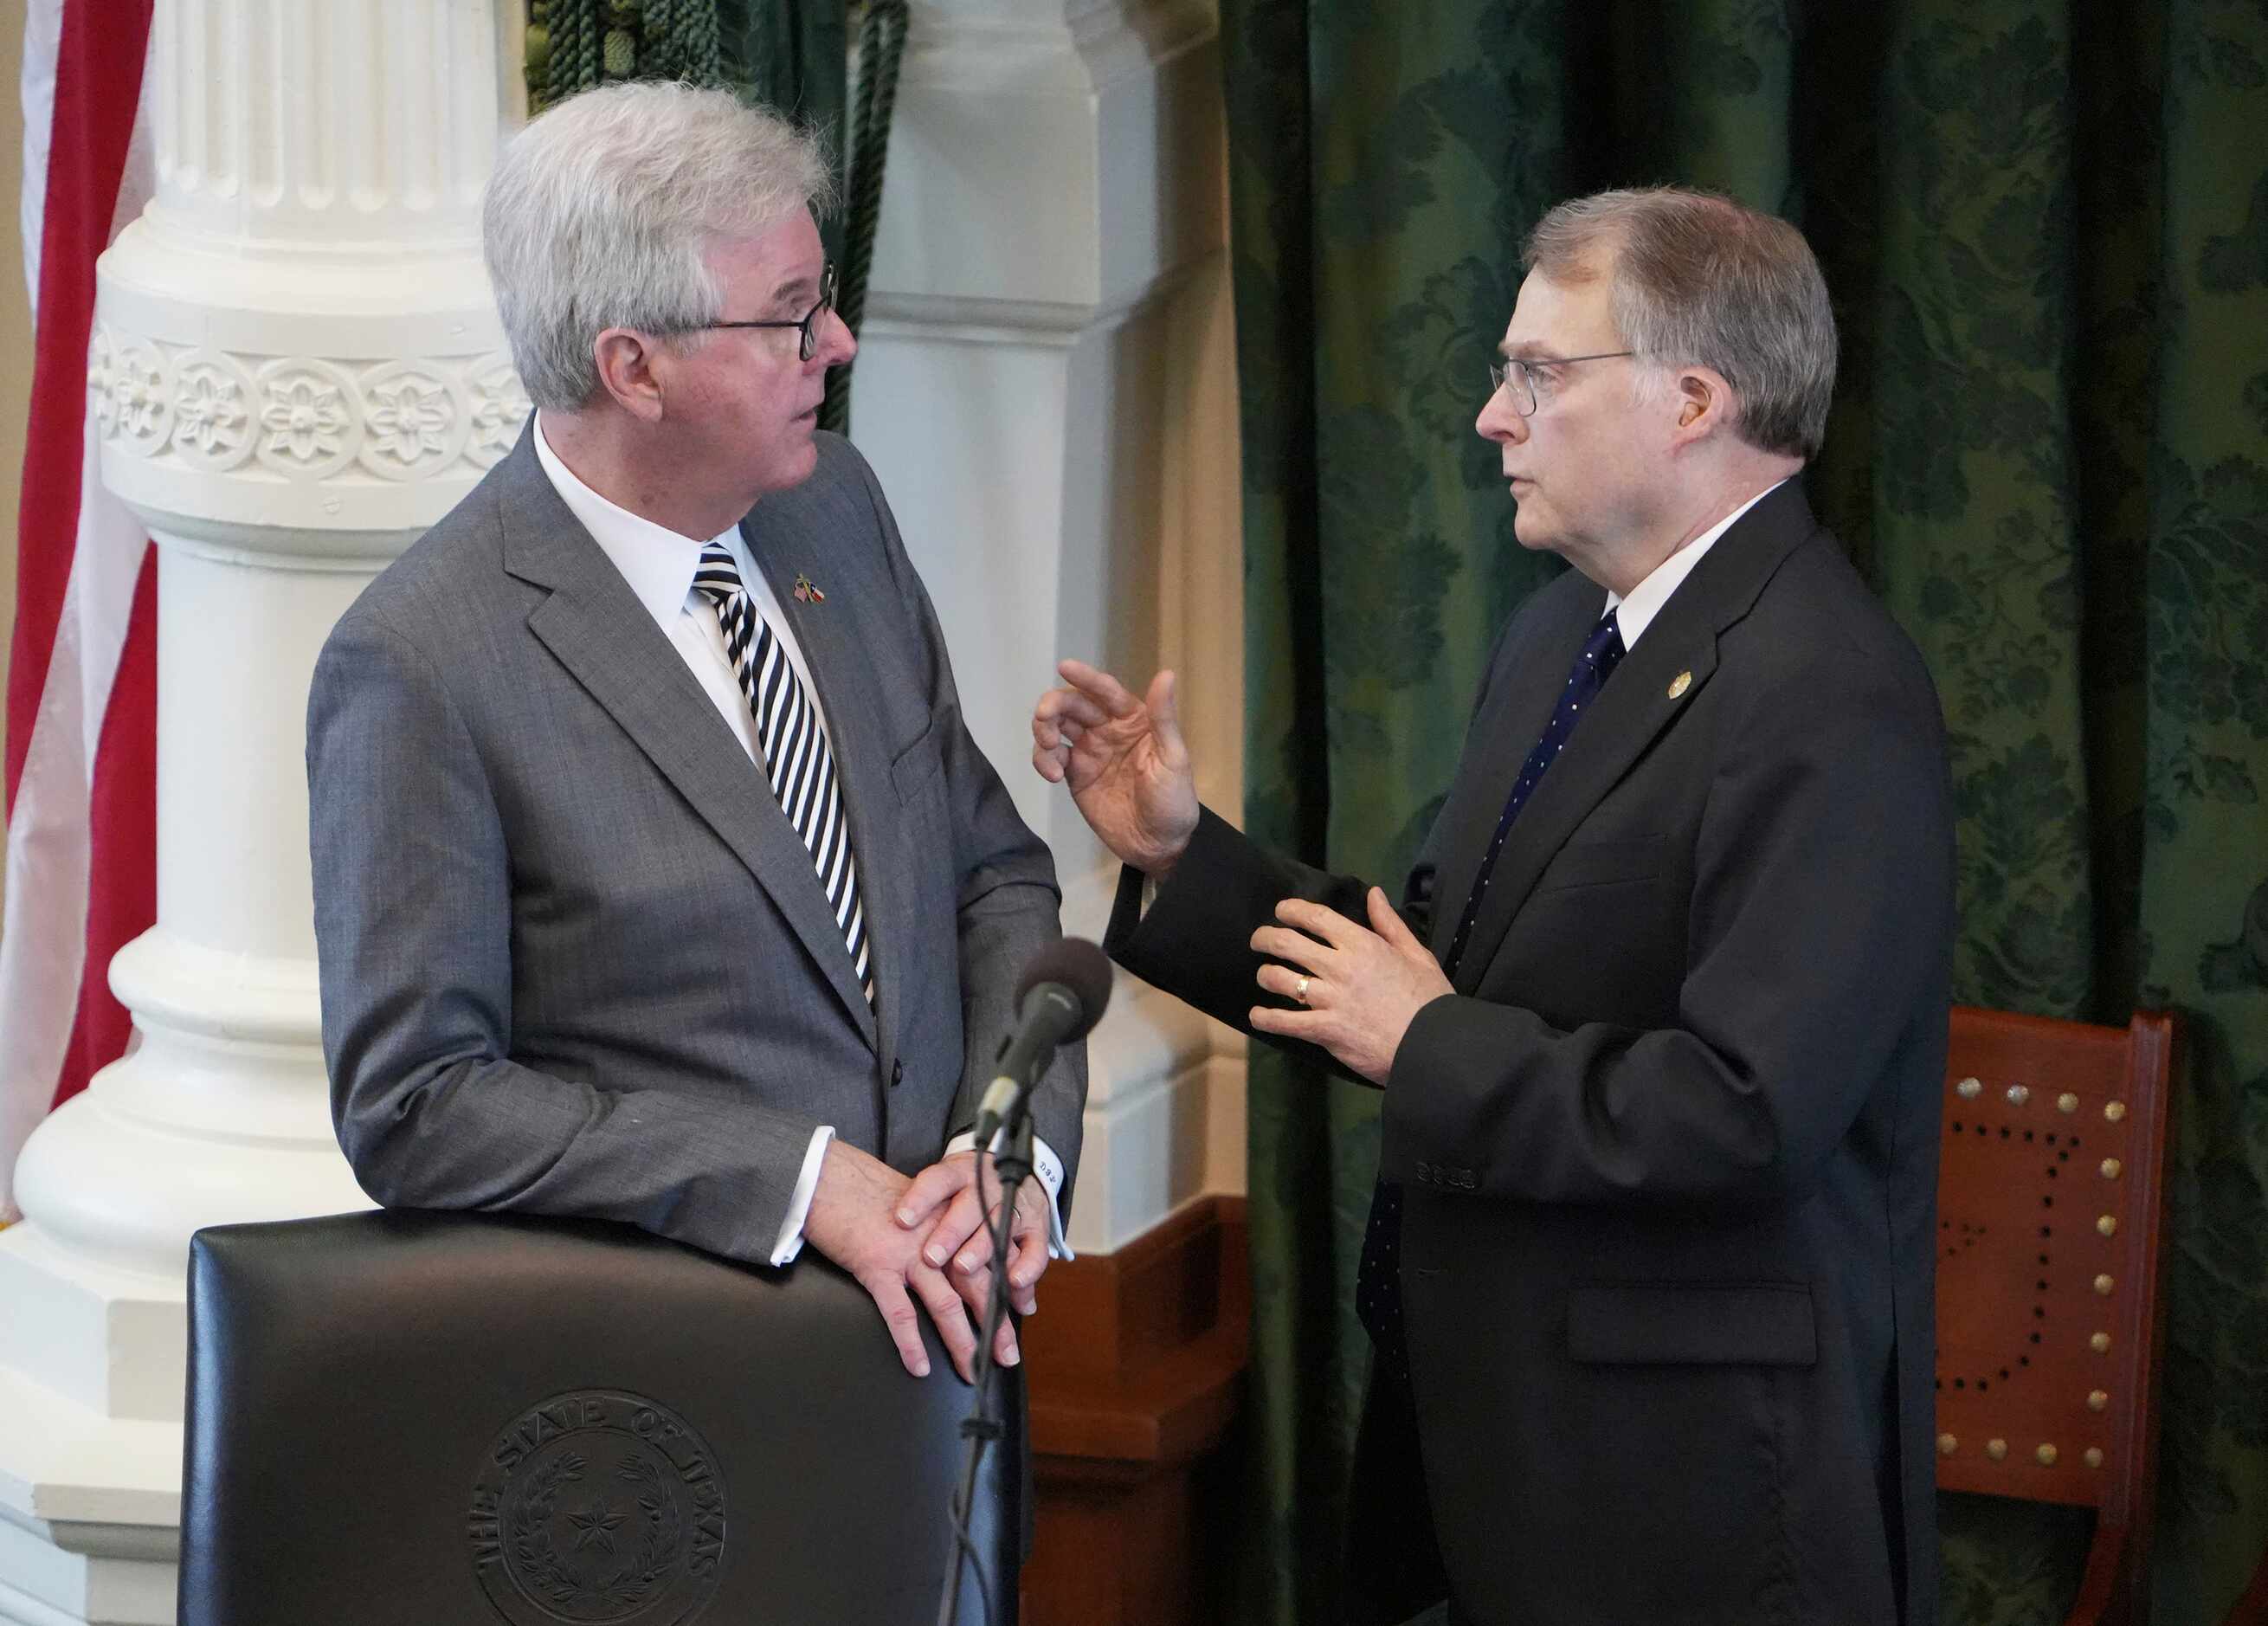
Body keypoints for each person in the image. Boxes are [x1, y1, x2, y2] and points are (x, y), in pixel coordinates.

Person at [1033, 188, 1950, 1625]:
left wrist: (1431, 1042)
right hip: (1493, 1446)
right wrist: (1179, 853)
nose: (1491, 417)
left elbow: (1747, 1108)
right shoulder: (1559, 636)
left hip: (1687, 1497)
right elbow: (1429, 973)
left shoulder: (1831, 690)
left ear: (1692, 398)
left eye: (1537, 373)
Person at [308, 81, 1085, 1390]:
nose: (834, 341)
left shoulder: (835, 506)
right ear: (633, 366)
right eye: (789, 315)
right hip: (680, 1403)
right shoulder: (424, 660)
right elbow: (419, 1103)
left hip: (953, 1376)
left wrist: (1010, 1152)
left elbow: (991, 872)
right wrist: (798, 1179)